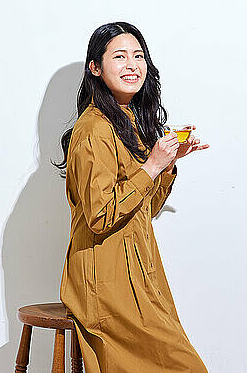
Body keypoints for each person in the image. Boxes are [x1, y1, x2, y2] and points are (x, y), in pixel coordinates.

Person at [53, 21, 210, 373]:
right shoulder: (94, 129)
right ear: (95, 68)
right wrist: (151, 166)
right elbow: (99, 215)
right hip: (103, 278)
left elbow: (146, 209)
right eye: (119, 56)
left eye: (138, 56)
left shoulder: (129, 123)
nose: (132, 65)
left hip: (138, 269)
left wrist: (167, 165)